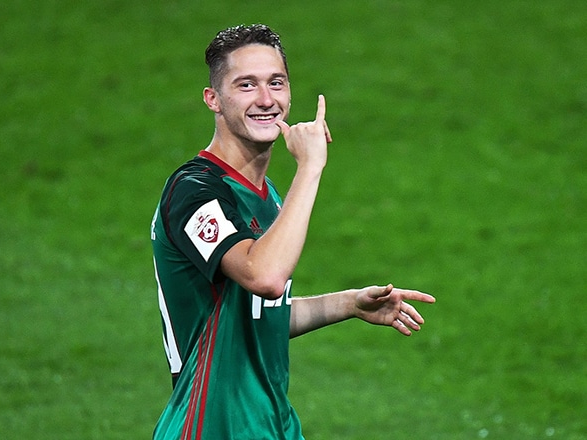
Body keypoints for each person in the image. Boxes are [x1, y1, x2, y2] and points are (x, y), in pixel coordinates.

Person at [150, 23, 436, 440]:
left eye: (276, 83)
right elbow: (264, 278)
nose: (266, 99)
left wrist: (348, 304)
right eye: (246, 85)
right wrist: (310, 166)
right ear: (213, 98)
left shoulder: (268, 197)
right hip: (213, 426)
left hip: (272, 423)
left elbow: (258, 316)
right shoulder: (193, 191)